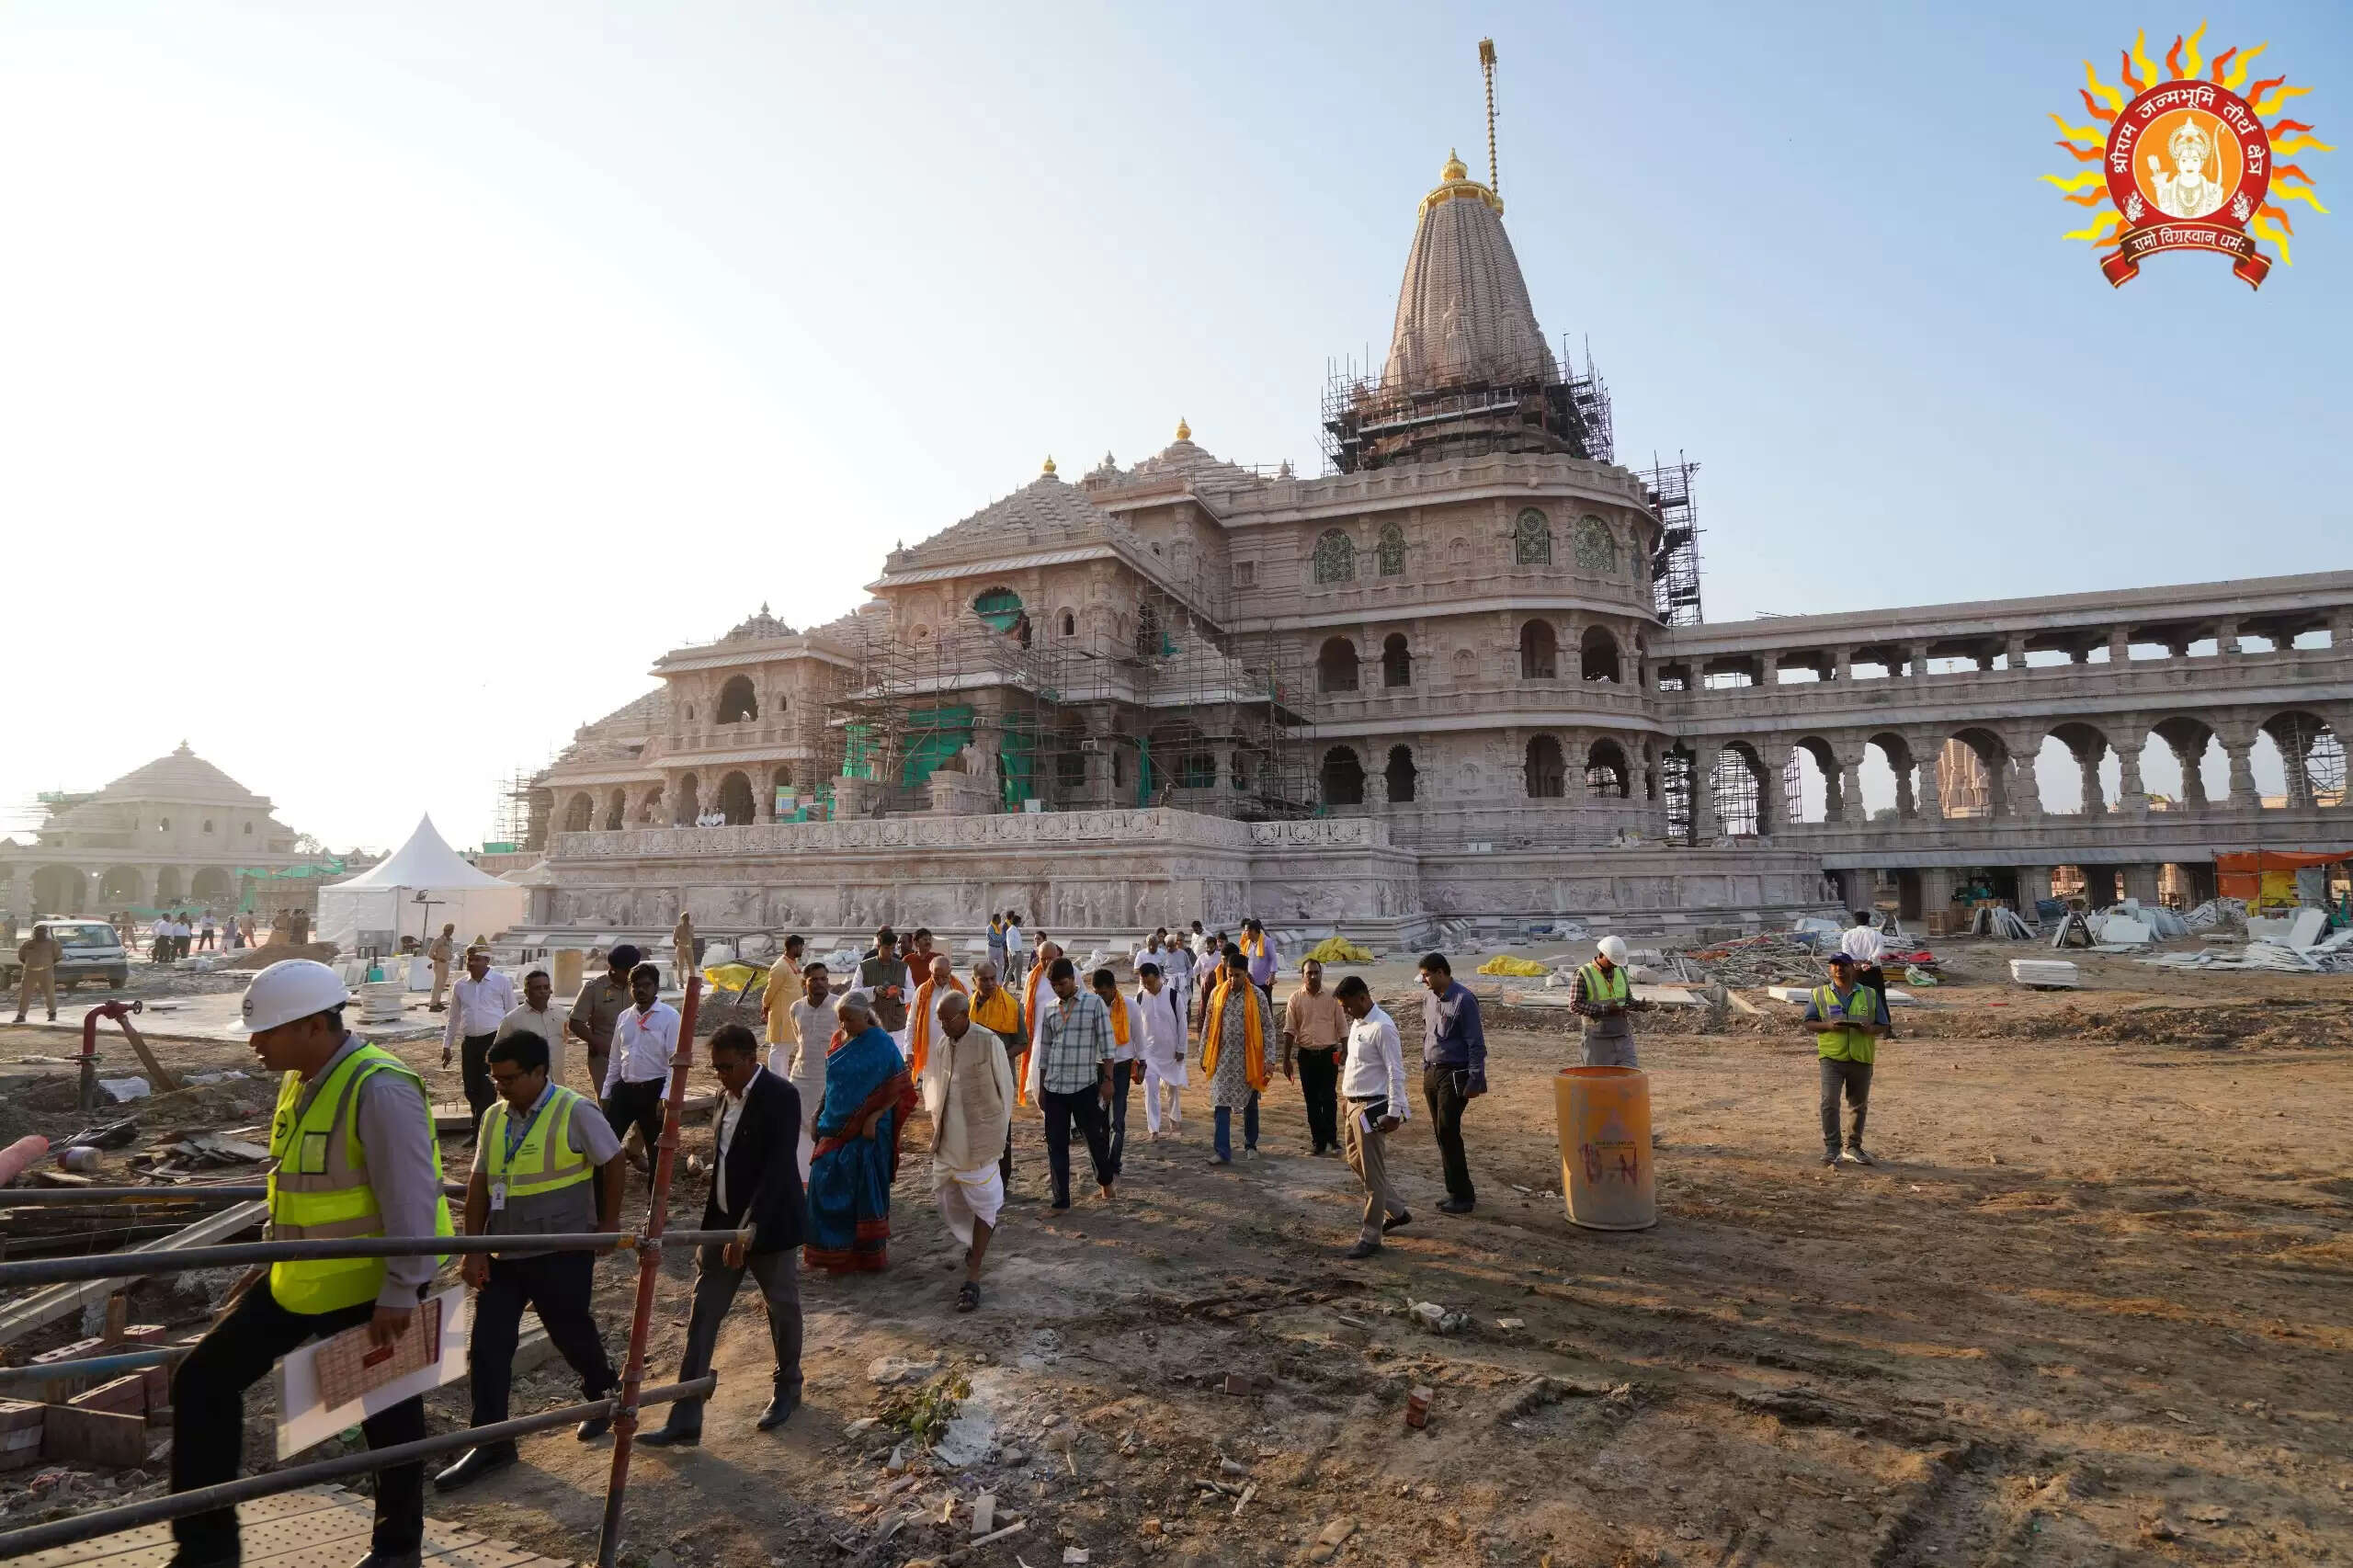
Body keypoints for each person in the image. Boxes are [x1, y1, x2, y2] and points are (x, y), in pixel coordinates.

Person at [174, 959, 452, 1568]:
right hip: (300, 1275)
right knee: (201, 1381)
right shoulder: (302, 1078)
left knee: (387, 1414)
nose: (253, 1044)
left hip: (369, 1285)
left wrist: (402, 1291)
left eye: (265, 1031)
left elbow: (411, 1197)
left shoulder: (379, 1086)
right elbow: (298, 1185)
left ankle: (398, 1549)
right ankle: (206, 1552)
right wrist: (273, 1255)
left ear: (311, 1027)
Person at [435, 1030, 623, 1491]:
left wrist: (607, 1226)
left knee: (569, 1330)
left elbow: (613, 1161)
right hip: (505, 1252)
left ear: (541, 1072)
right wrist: (472, 1249)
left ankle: (603, 1392)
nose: (499, 1086)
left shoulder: (575, 1110)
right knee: (488, 1346)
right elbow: (479, 1181)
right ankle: (492, 1441)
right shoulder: (495, 1117)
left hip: (562, 1249)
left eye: (510, 1078)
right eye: (494, 1078)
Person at [641, 1025, 808, 1443]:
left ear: (752, 1058)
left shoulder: (781, 1096)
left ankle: (787, 1386)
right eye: (715, 1068)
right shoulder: (722, 1098)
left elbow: (776, 1169)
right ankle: (686, 1412)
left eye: (727, 1067)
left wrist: (747, 1228)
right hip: (720, 1226)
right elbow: (724, 1161)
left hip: (767, 1224)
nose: (721, 1076)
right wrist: (720, 1229)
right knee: (703, 1315)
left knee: (781, 1308)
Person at [803, 994, 916, 1271]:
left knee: (862, 1187)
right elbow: (831, 1083)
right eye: (841, 1020)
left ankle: (864, 1257)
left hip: (869, 1129)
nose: (844, 1025)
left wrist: (875, 1116)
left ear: (865, 1016)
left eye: (849, 1020)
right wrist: (819, 1110)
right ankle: (833, 1254)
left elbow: (900, 1085)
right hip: (834, 1123)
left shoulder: (882, 1044)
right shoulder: (838, 1040)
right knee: (823, 1178)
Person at [921, 991, 1012, 1312]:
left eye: (948, 1020)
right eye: (940, 1021)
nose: (943, 1026)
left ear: (964, 1014)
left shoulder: (988, 1042)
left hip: (981, 1140)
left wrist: (999, 1133)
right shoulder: (944, 1044)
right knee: (946, 1195)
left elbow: (1006, 1091)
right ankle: (973, 1244)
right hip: (948, 1139)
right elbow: (933, 1084)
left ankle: (973, 1273)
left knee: (985, 1204)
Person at [1334, 973, 1411, 1257]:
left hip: (1373, 1108)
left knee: (1373, 1176)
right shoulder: (1357, 1024)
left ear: (1363, 997)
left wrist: (1394, 1112)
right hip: (1354, 1105)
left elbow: (1396, 1072)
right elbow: (1356, 1065)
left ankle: (1371, 1235)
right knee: (1356, 1163)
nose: (1346, 1011)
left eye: (1348, 1005)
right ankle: (1398, 1211)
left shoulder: (1383, 1027)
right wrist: (1346, 1097)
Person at [1029, 957, 1116, 1209]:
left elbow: (1108, 1045)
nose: (1058, 988)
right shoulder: (1049, 1009)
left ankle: (1106, 1181)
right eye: (1053, 985)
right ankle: (1061, 1200)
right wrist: (1043, 1086)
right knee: (1056, 1144)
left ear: (1074, 980)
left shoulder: (1094, 1004)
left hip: (1084, 1085)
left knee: (1095, 1140)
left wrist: (1108, 1080)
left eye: (1062, 983)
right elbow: (1045, 1051)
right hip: (1055, 1088)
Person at [1804, 951, 1889, 1168]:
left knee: (1858, 1105)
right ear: (1830, 969)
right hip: (1831, 1057)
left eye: (1842, 965)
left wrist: (1870, 1030)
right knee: (1829, 1102)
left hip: (1861, 1057)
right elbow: (1809, 1023)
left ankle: (1853, 1147)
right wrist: (1828, 1026)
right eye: (1834, 965)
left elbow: (1884, 1024)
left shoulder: (1870, 994)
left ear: (1852, 968)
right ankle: (1832, 1147)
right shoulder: (1819, 993)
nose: (1838, 969)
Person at [1418, 951, 1486, 1214]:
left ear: (1440, 973)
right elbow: (1428, 1035)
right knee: (1441, 1133)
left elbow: (1476, 1045)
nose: (1423, 980)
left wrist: (1475, 1080)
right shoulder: (1428, 998)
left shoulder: (1464, 1000)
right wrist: (1425, 1067)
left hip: (1455, 1075)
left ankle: (1463, 1196)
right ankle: (1455, 1190)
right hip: (1433, 1074)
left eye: (1426, 975)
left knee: (1448, 1131)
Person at [599, 962, 678, 1182]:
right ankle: (602, 1201)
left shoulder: (669, 1016)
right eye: (636, 986)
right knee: (603, 1145)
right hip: (624, 1091)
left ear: (656, 987)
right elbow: (615, 1058)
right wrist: (607, 1093)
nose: (641, 990)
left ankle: (655, 1210)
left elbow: (675, 1062)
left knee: (656, 1152)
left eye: (646, 985)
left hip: (653, 1091)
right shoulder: (624, 1017)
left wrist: (665, 1097)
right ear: (630, 987)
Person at [1200, 946, 1272, 1165]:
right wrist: (1204, 1054)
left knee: (1250, 1103)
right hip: (1222, 1058)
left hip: (1249, 1058)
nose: (1232, 980)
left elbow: (1268, 1028)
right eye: (1230, 975)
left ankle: (1251, 1144)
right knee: (1221, 1103)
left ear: (1246, 974)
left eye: (1237, 976)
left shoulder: (1258, 996)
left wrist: (1269, 1059)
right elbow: (1208, 1024)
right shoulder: (1217, 994)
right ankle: (1222, 1151)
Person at [965, 961, 1025, 1185]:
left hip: (1000, 1077)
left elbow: (1022, 1042)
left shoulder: (1011, 1005)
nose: (990, 983)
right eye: (984, 979)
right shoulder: (966, 1006)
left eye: (993, 978)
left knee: (1001, 1129)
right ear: (974, 981)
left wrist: (998, 1056)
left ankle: (1002, 1178)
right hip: (972, 1077)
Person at [443, 948, 517, 1123]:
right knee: (470, 1087)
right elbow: (453, 1017)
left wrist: (514, 1044)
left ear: (487, 961)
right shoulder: (460, 985)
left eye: (477, 959)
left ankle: (480, 1130)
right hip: (469, 1043)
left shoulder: (501, 981)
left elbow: (512, 1013)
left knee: (487, 1088)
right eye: (470, 959)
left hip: (493, 1041)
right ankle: (478, 1123)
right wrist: (446, 1045)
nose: (472, 963)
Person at [1281, 957, 1347, 1155]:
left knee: (1329, 1098)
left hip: (1329, 1055)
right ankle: (1318, 1142)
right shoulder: (1295, 999)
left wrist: (1346, 1049)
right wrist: (1286, 1059)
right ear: (1302, 976)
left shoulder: (1332, 997)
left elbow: (1342, 1026)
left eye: (1316, 972)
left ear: (1321, 974)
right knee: (1311, 1100)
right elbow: (1290, 1030)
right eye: (1309, 973)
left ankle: (1332, 1141)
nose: (1313, 976)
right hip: (1306, 1056)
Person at [566, 945, 639, 1101]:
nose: (630, 975)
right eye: (626, 971)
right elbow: (576, 1022)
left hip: (637, 1056)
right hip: (604, 1059)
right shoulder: (594, 988)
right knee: (609, 1104)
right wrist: (597, 1043)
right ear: (612, 968)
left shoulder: (639, 987)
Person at [1569, 936, 1653, 1068]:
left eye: (1616, 963)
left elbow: (1627, 1000)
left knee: (1629, 1075)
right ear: (1601, 954)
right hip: (1597, 1038)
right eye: (1611, 962)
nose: (1614, 966)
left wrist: (1639, 1005)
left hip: (1621, 1034)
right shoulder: (1583, 973)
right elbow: (1575, 1005)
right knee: (1598, 1080)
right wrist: (1605, 1009)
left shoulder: (1621, 972)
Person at [1090, 967, 1137, 1179]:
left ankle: (1114, 1162)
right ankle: (1102, 1164)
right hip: (1097, 1067)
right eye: (1097, 993)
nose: (1100, 997)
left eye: (1104, 993)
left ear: (1114, 989)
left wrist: (1142, 1062)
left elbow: (1139, 1035)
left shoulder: (1130, 1006)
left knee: (1117, 1119)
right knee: (1098, 1118)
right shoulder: (1091, 1008)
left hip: (1122, 1066)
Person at [1132, 960, 1186, 1138]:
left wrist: (1181, 1048)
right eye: (1144, 983)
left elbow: (1182, 1024)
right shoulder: (1139, 998)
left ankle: (1174, 1122)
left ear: (1159, 978)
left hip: (1171, 1052)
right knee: (1151, 1090)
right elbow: (1135, 1027)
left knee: (1172, 1088)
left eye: (1150, 982)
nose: (1147, 986)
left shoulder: (1173, 996)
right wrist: (1137, 1054)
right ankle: (1153, 1129)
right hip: (1149, 1055)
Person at [495, 967, 571, 1090]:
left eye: (546, 987)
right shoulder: (512, 1020)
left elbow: (564, 1040)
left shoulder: (560, 1013)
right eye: (537, 988)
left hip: (558, 1085)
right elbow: (498, 1054)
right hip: (528, 1088)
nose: (543, 991)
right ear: (526, 991)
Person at [906, 952, 969, 1079]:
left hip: (958, 1049)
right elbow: (911, 1021)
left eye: (945, 977)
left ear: (950, 971)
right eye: (936, 977)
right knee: (932, 1090)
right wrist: (908, 1050)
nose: (940, 981)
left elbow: (972, 1018)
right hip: (930, 1053)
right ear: (931, 972)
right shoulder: (922, 991)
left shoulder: (963, 988)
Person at [1841, 912, 1894, 1040]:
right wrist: (1869, 961)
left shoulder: (1848, 934)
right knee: (1880, 999)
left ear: (1855, 921)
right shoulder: (1876, 934)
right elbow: (1880, 950)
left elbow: (1846, 951)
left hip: (1855, 970)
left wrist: (1857, 962)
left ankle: (1851, 1029)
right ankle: (1887, 1031)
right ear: (1868, 921)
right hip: (1873, 970)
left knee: (1852, 998)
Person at [859, 925, 911, 1042]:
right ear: (879, 946)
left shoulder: (902, 966)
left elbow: (913, 992)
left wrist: (900, 992)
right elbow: (854, 991)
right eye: (886, 948)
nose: (890, 952)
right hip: (872, 1023)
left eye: (893, 948)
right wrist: (874, 990)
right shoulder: (864, 966)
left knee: (896, 1058)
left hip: (897, 1025)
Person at [760, 934, 806, 1060]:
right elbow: (770, 990)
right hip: (781, 1014)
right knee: (779, 1049)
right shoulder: (780, 966)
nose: (802, 950)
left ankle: (782, 1078)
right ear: (794, 947)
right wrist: (765, 1005)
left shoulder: (792, 964)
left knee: (786, 1049)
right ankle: (775, 1077)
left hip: (790, 1014)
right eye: (801, 947)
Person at [13, 922, 63, 1024]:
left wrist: (46, 965)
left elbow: (57, 957)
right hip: (29, 972)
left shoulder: (53, 943)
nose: (39, 934)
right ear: (34, 933)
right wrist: (32, 965)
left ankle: (52, 1013)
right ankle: (21, 1015)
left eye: (42, 932)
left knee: (49, 993)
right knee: (25, 994)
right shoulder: (27, 944)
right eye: (37, 932)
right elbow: (22, 957)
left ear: (46, 933)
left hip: (46, 971)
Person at [1241, 918, 1278, 1002]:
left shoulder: (1267, 941)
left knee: (1266, 1006)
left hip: (1264, 983)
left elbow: (1273, 959)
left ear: (1253, 931)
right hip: (1250, 982)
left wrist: (1272, 976)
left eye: (1246, 931)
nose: (1245, 933)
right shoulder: (1247, 943)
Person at [427, 923, 458, 1011]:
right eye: (450, 930)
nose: (451, 932)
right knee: (438, 984)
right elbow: (430, 954)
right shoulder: (438, 940)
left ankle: (438, 1002)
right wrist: (438, 959)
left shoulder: (450, 941)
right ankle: (432, 1005)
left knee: (442, 984)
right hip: (439, 964)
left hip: (446, 964)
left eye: (452, 930)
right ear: (446, 930)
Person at [671, 909, 697, 988]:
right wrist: (678, 947)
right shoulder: (678, 927)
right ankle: (681, 983)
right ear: (682, 919)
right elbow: (674, 939)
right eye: (685, 918)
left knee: (691, 965)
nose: (686, 919)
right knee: (681, 965)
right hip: (681, 947)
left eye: (687, 918)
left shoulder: (691, 927)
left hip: (689, 947)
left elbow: (692, 937)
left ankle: (693, 982)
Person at [1002, 912, 1026, 989]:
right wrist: (1013, 953)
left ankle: (1018, 986)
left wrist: (1021, 951)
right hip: (1013, 953)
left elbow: (1018, 942)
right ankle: (1004, 985)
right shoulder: (1010, 930)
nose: (1021, 923)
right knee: (1011, 969)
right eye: (1020, 922)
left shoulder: (1016, 930)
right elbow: (1009, 943)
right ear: (1018, 922)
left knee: (1019, 970)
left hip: (1019, 952)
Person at [986, 913, 1007, 978]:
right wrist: (1002, 937)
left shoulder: (1000, 927)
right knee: (990, 966)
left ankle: (999, 983)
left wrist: (1001, 938)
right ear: (995, 919)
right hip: (992, 948)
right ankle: (989, 979)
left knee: (1000, 966)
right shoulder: (990, 928)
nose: (1001, 920)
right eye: (999, 919)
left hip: (999, 948)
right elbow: (995, 938)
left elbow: (1004, 937)